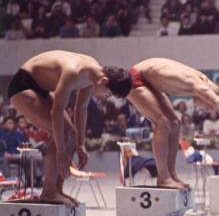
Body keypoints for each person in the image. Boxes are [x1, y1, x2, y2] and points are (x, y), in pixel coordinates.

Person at [8, 50, 132, 206]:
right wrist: (61, 150)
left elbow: (82, 109)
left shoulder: (93, 75)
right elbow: (57, 112)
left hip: (41, 89)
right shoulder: (74, 72)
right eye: (108, 93)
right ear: (104, 81)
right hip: (23, 86)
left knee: (72, 135)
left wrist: (80, 145)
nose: (106, 97)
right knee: (64, 134)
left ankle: (57, 190)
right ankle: (49, 193)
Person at [127, 58, 219, 188]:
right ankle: (163, 177)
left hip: (149, 78)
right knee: (163, 123)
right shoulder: (201, 87)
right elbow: (217, 102)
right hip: (137, 78)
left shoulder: (210, 86)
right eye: (206, 107)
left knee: (175, 123)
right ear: (204, 98)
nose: (206, 110)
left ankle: (171, 174)